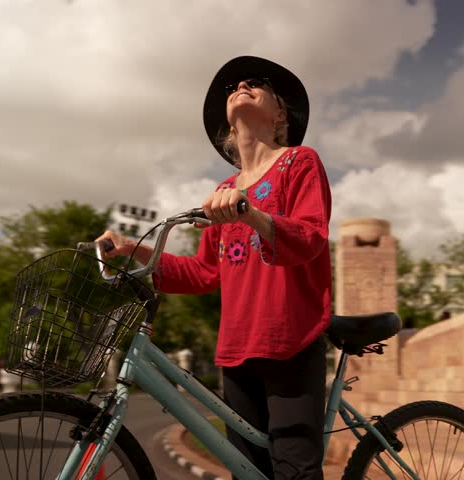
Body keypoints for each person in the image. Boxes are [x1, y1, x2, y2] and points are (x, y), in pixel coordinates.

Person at [96, 56, 331, 480]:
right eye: (233, 87)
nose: (241, 84)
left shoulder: (299, 161)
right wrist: (134, 251)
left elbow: (311, 237)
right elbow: (203, 273)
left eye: (256, 83)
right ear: (227, 122)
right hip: (236, 351)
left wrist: (253, 215)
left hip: (290, 341)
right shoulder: (224, 191)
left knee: (295, 471)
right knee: (246, 472)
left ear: (280, 114)